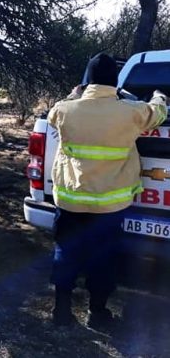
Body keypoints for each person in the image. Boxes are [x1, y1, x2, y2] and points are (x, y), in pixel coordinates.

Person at [47, 53, 167, 329]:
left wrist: (74, 93)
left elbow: (55, 112)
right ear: (115, 79)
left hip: (70, 202)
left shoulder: (66, 110)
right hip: (109, 206)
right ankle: (97, 313)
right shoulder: (131, 112)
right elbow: (158, 113)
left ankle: (61, 312)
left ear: (88, 80)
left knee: (66, 253)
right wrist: (159, 95)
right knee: (103, 259)